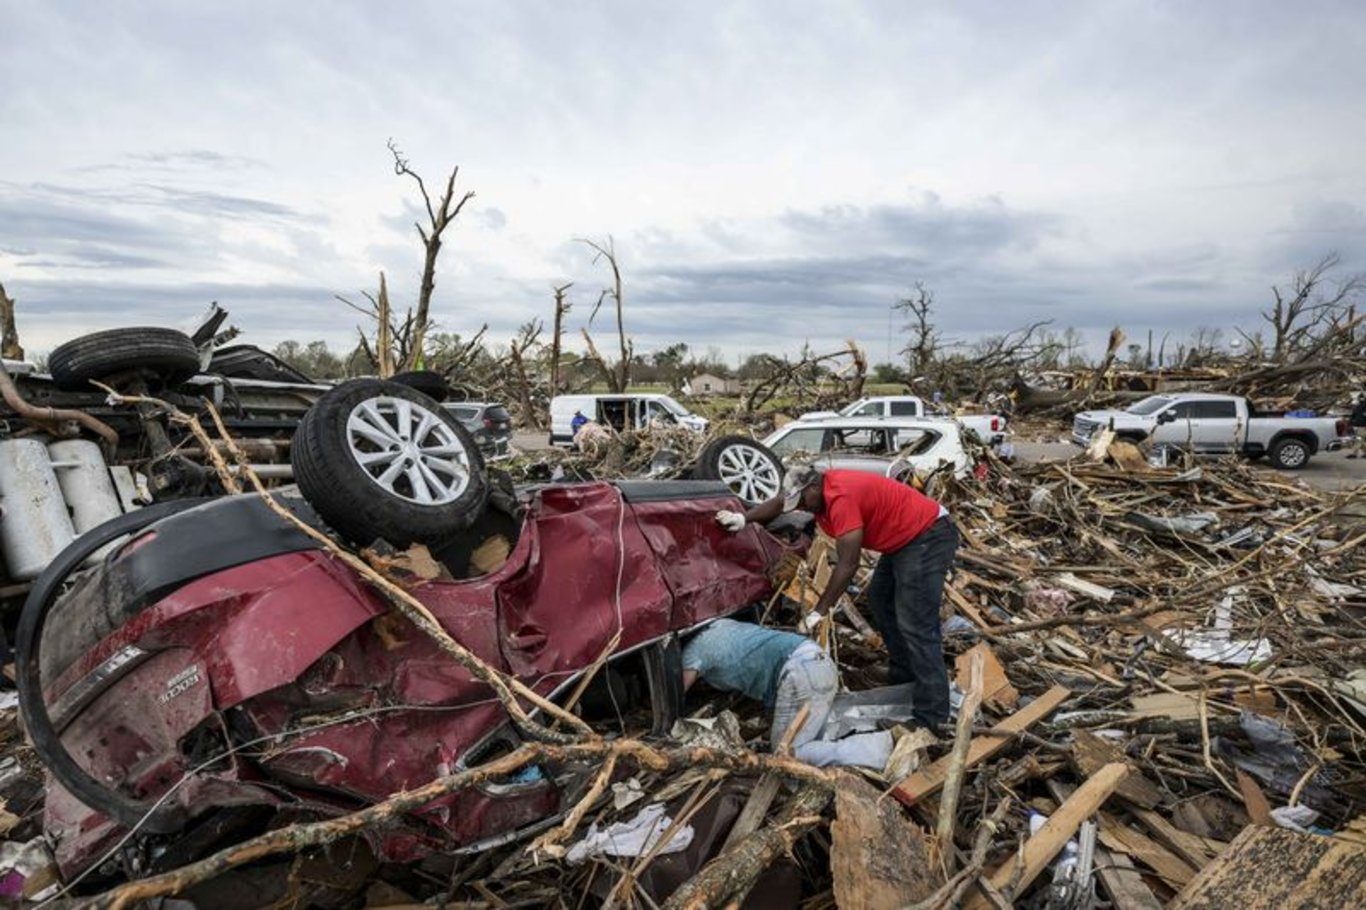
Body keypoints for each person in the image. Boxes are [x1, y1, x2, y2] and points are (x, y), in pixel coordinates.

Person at [715, 466, 958, 731]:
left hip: (927, 534)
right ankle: (905, 676)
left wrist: (819, 611)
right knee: (881, 600)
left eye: (804, 501)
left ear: (814, 488)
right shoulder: (815, 493)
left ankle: (932, 716)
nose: (802, 509)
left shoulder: (841, 498)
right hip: (903, 539)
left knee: (916, 623)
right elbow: (780, 503)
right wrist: (743, 519)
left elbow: (848, 564)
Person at [681, 617, 892, 768]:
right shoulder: (721, 624)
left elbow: (677, 693)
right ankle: (873, 748)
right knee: (813, 739)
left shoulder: (692, 652)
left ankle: (879, 750)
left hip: (799, 673)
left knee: (786, 755)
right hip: (818, 661)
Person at [1349, 394, 1366, 459]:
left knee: (1359, 439)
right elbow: (1353, 416)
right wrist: (1350, 423)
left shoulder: (1358, 407)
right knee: (1361, 439)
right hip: (1359, 425)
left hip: (1362, 425)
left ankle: (1354, 453)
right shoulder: (1357, 407)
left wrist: (1350, 423)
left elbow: (1352, 416)